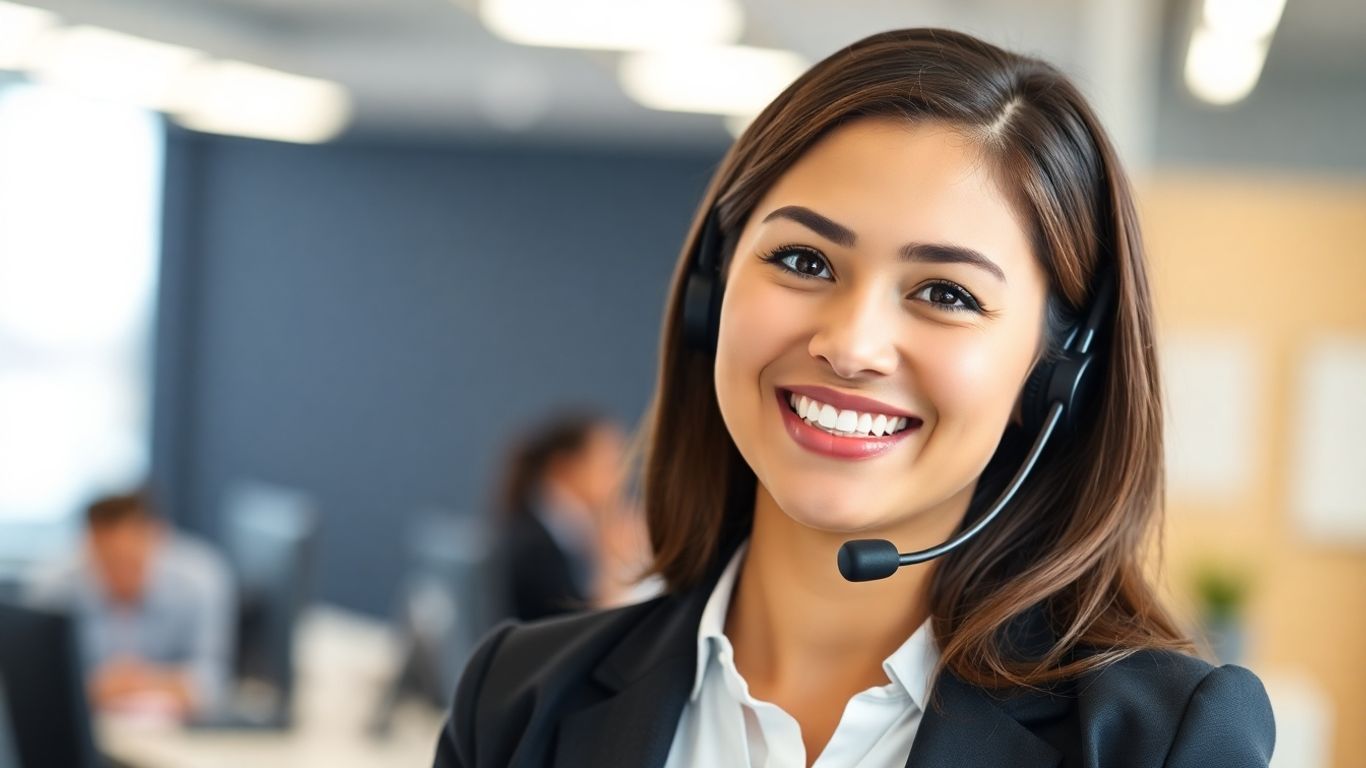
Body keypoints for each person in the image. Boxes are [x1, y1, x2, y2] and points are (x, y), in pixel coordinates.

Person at [434, 28, 1275, 767]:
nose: (850, 345)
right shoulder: (517, 706)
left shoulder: (1157, 745)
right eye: (804, 261)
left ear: (1055, 376)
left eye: (945, 293)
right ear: (709, 294)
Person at [25, 490, 235, 721]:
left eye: (132, 561)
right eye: (110, 561)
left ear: (158, 538)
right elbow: (39, 678)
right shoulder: (55, 587)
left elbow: (213, 678)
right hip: (87, 723)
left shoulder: (200, 579)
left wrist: (144, 682)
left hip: (175, 728)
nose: (122, 574)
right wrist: (91, 686)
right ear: (89, 545)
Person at [491, 408, 649, 622]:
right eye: (608, 464)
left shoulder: (553, 529)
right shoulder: (536, 546)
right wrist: (612, 562)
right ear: (565, 468)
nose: (620, 478)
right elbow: (584, 629)